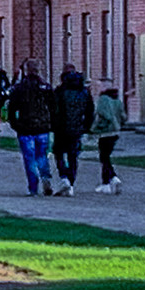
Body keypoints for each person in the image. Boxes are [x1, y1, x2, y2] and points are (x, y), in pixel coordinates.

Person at [3, 63, 57, 195]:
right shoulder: (46, 87)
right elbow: (53, 107)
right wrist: (51, 123)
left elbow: (12, 109)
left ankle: (33, 187)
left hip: (25, 128)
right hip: (43, 127)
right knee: (42, 156)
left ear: (26, 71)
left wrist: (15, 125)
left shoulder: (20, 88)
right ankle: (45, 177)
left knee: (29, 158)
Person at [51, 66, 94, 196]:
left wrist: (53, 125)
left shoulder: (60, 91)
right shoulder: (84, 92)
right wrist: (86, 127)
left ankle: (64, 176)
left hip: (61, 129)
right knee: (73, 156)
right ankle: (71, 182)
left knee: (59, 153)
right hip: (77, 129)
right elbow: (89, 112)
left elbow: (54, 110)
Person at [92, 85, 126, 194]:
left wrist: (94, 127)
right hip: (115, 132)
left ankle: (107, 182)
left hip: (104, 132)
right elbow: (123, 117)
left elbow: (101, 114)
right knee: (106, 156)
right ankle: (111, 179)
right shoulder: (118, 102)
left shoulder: (102, 100)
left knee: (104, 157)